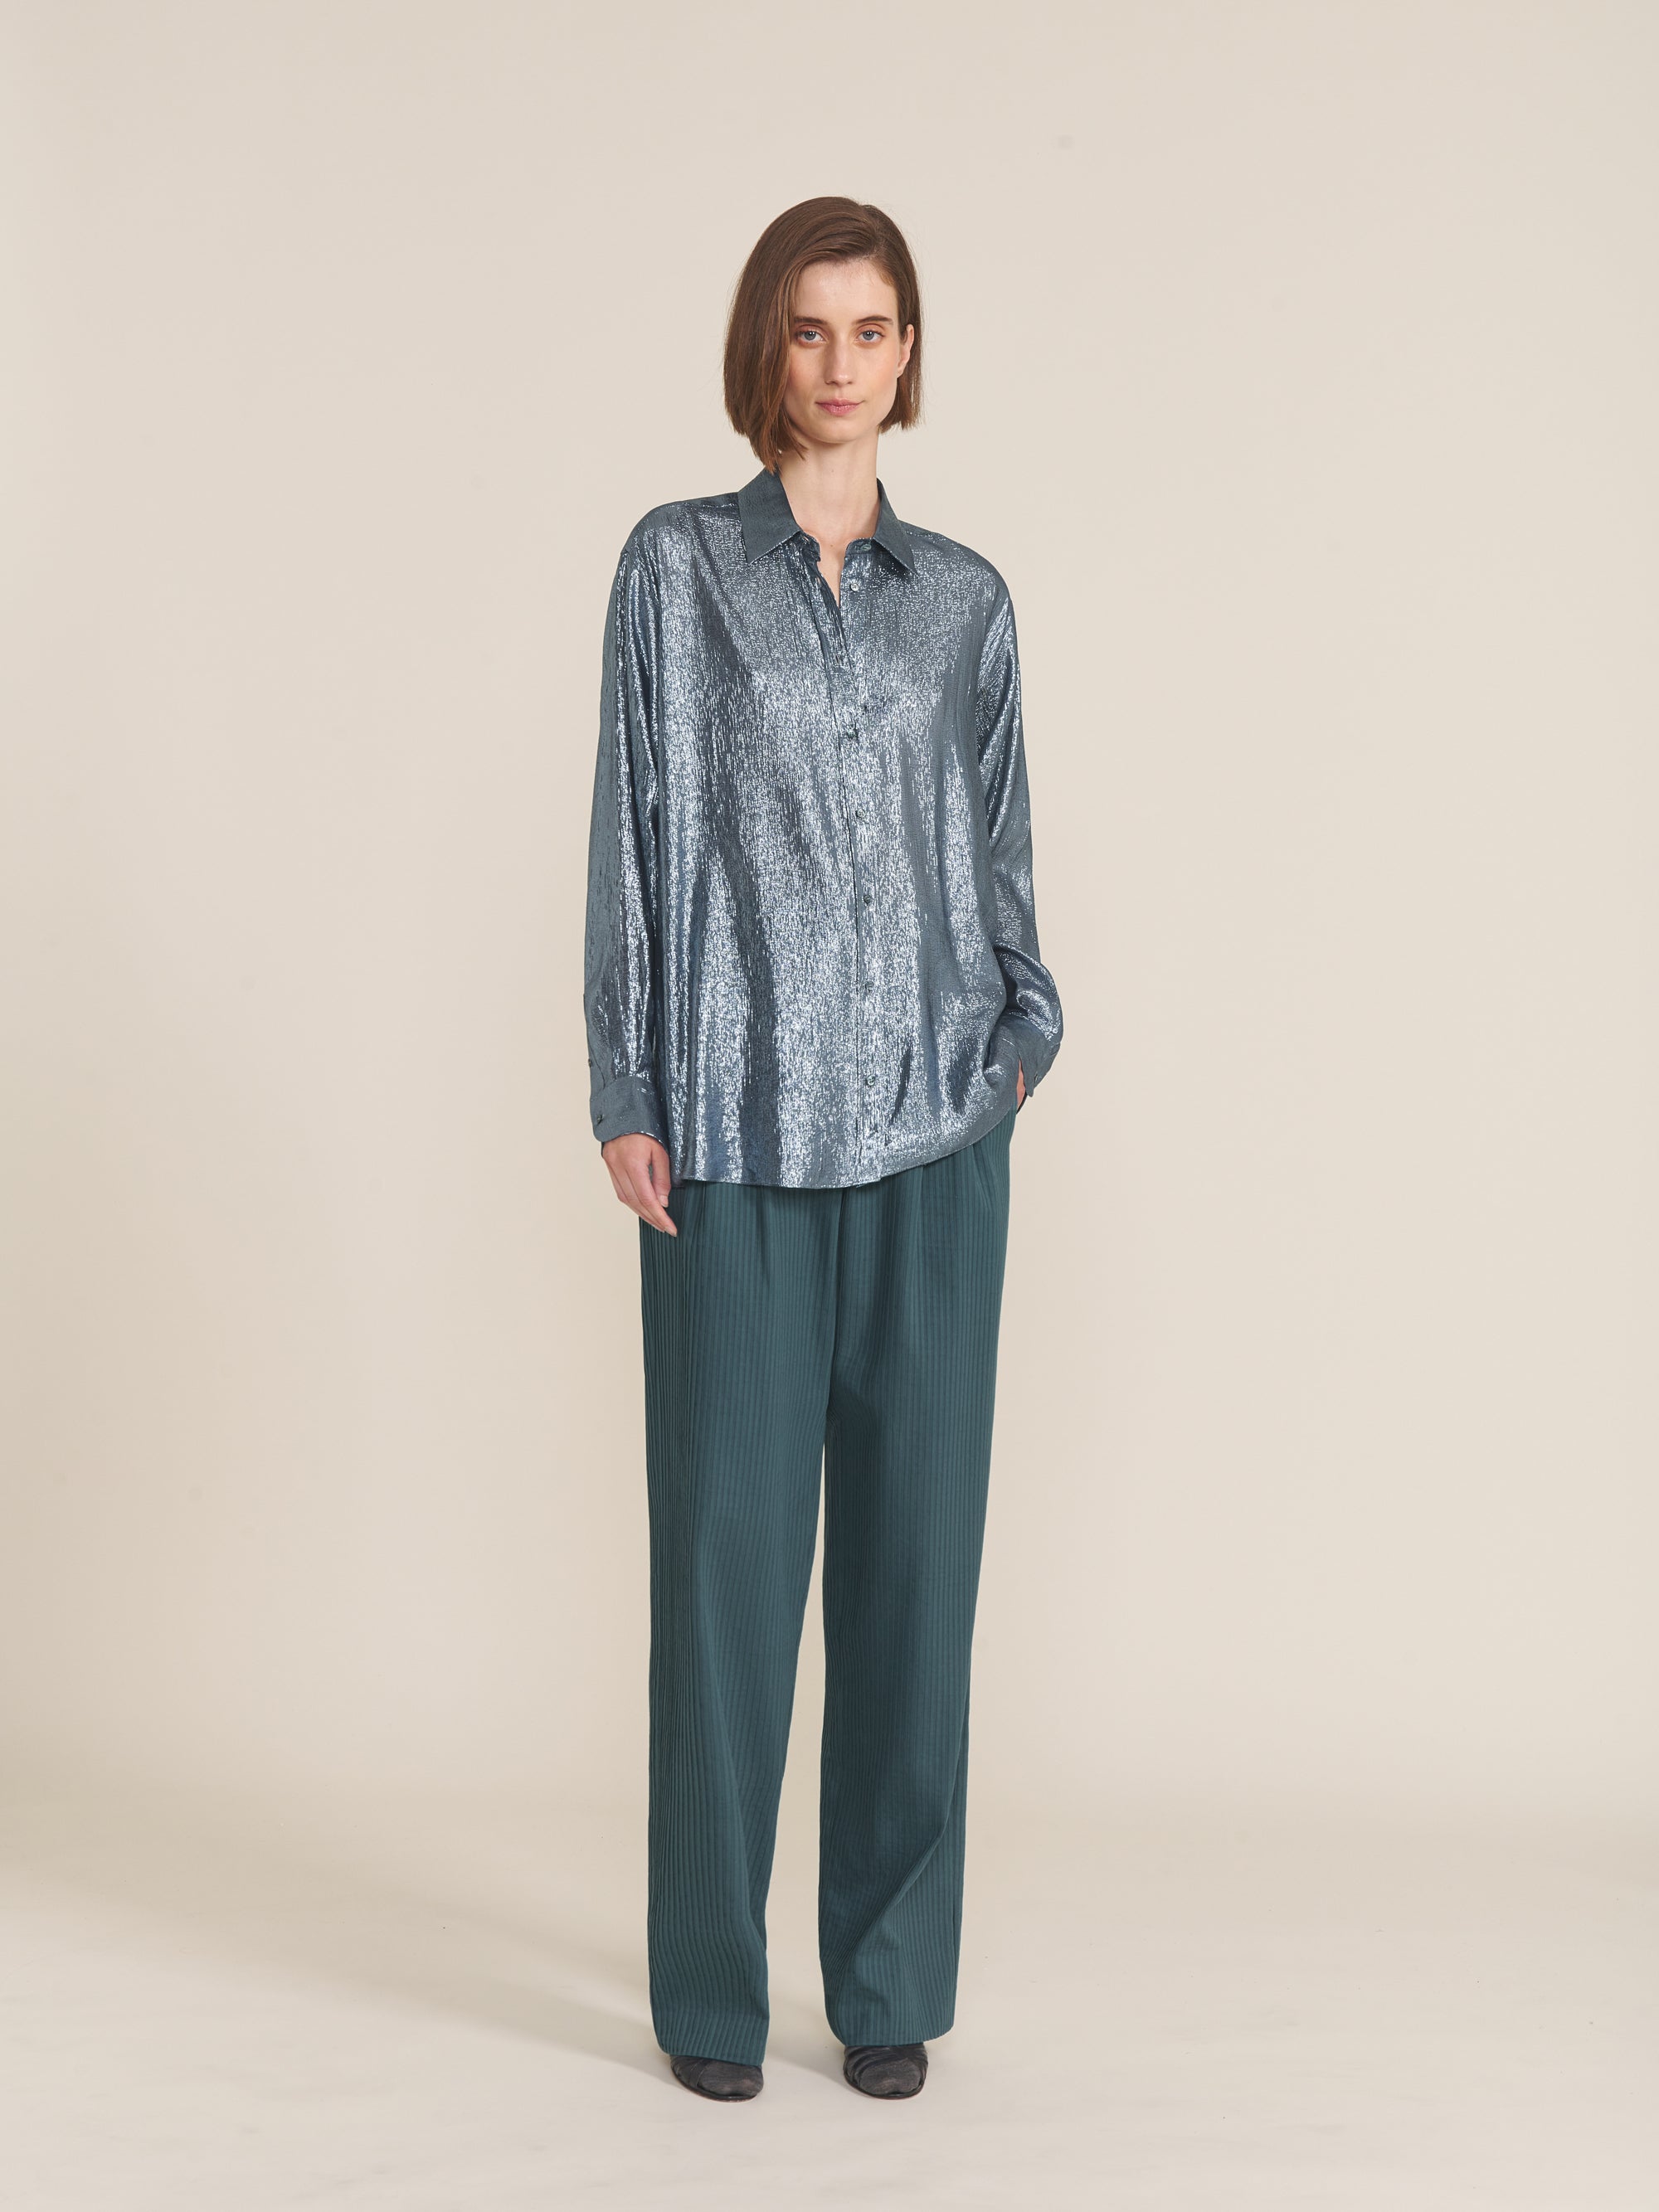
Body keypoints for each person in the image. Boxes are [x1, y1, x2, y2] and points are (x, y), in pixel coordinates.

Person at [582, 196, 1063, 2103]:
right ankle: (712, 1993)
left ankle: (886, 1983)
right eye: (809, 328)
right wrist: (626, 1079)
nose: (841, 362)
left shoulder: (967, 601)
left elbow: (1001, 844)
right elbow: (633, 822)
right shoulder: (676, 568)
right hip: (735, 1137)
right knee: (723, 1579)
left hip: (939, 1137)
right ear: (764, 349)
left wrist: (1021, 1037)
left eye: (871, 329)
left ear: (909, 351)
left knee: (913, 1581)